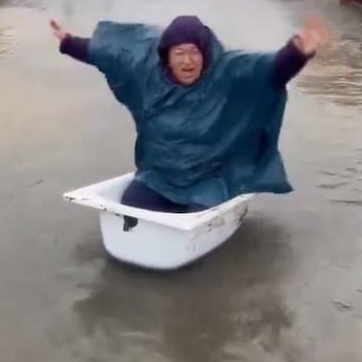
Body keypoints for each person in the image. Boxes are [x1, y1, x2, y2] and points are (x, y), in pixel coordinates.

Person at [51, 14, 330, 213]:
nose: (187, 61)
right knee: (131, 206)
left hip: (209, 178)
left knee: (198, 213)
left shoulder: (226, 73)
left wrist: (297, 53)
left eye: (194, 52)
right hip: (160, 175)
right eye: (179, 53)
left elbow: (268, 70)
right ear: (167, 56)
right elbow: (109, 54)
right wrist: (69, 42)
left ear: (205, 54)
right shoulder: (147, 71)